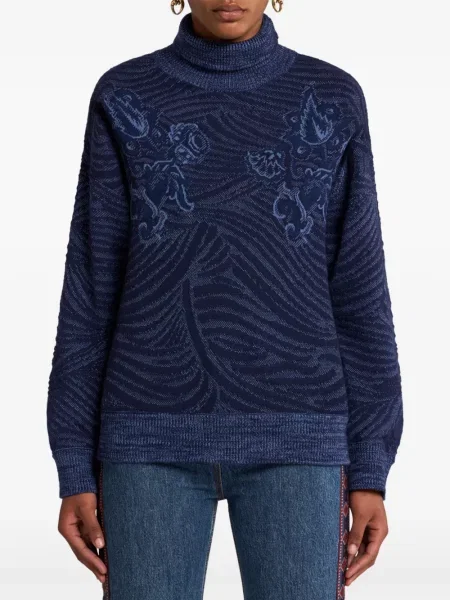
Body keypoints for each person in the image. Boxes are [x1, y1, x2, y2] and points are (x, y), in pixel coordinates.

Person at [46, 1, 404, 598]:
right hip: (146, 437)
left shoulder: (330, 97)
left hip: (299, 436)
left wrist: (371, 465)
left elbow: (360, 288)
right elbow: (90, 287)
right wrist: (74, 465)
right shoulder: (125, 95)